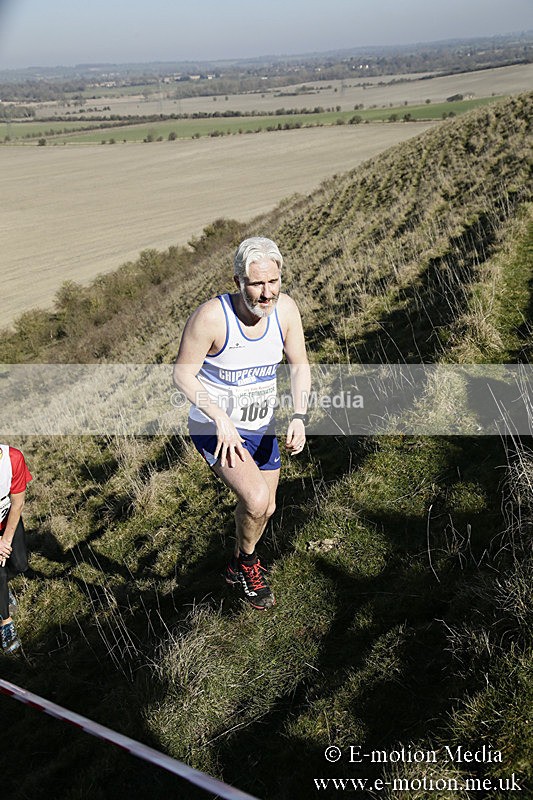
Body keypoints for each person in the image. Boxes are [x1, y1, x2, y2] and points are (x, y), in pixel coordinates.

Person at [173, 236, 310, 610]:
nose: (267, 294)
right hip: (214, 428)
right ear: (238, 280)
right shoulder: (212, 318)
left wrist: (298, 414)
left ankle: (237, 562)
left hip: (261, 425)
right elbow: (183, 375)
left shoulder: (285, 311)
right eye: (256, 284)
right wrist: (219, 417)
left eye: (273, 282)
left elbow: (299, 365)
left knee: (266, 509)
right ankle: (249, 566)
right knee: (255, 498)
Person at [0, 444, 32, 653]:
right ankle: (5, 622)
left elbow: (17, 503)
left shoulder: (13, 458)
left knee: (20, 564)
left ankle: (3, 590)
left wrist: (5, 540)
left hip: (7, 522)